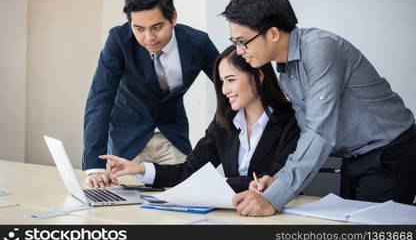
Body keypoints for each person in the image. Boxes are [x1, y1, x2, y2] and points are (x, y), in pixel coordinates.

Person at [221, 0, 416, 216]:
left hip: (390, 155)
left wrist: (274, 198)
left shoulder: (319, 49)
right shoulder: (286, 70)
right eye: (235, 43)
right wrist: (278, 180)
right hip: (355, 160)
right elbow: (308, 134)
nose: (239, 50)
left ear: (272, 34)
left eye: (243, 41)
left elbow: (319, 133)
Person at [99, 45, 300, 193]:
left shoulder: (290, 120)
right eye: (222, 82)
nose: (224, 90)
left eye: (231, 80)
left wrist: (217, 184)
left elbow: (273, 181)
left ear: (259, 76)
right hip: (232, 214)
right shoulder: (225, 120)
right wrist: (139, 168)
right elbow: (190, 171)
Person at [83, 0, 219, 188]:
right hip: (127, 140)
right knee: (123, 212)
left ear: (173, 18)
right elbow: (100, 98)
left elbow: (230, 86)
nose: (149, 38)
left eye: (157, 27)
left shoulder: (197, 43)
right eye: (139, 28)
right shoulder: (119, 40)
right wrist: (94, 166)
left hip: (173, 137)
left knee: (187, 198)